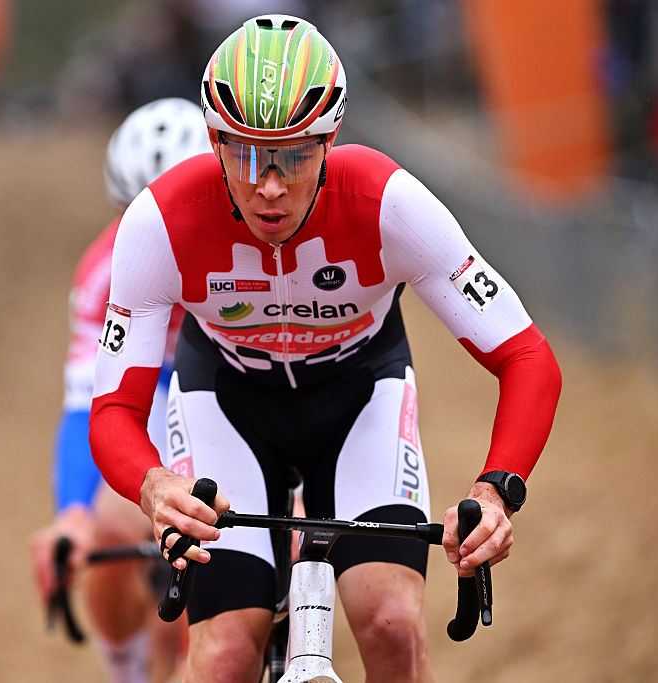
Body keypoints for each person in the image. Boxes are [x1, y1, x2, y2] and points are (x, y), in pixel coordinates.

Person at [89, 14, 562, 682]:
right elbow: (112, 408)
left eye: (295, 155)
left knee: (394, 628)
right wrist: (155, 485)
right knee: (223, 655)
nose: (270, 185)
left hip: (358, 398)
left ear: (331, 138)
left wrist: (495, 490)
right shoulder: (161, 223)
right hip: (226, 406)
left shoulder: (387, 203)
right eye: (246, 154)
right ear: (213, 140)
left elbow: (526, 356)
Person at [29, 97, 210, 683]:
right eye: (141, 218)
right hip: (157, 388)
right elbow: (88, 401)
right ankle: (126, 672)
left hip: (233, 383)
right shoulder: (103, 272)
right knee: (110, 527)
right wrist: (73, 516)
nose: (162, 238)